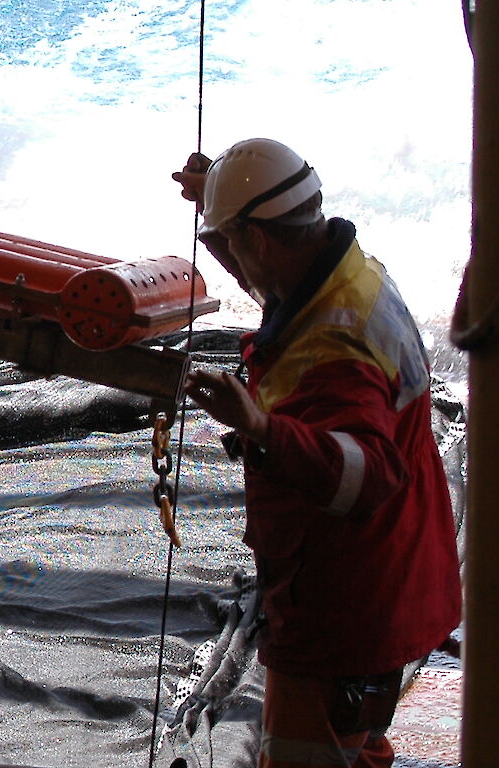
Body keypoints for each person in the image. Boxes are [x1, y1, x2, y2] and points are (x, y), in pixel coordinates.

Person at [175, 138, 461, 768]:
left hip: (345, 604)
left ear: (260, 238)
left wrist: (261, 427)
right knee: (355, 745)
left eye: (233, 240)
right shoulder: (345, 275)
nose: (237, 262)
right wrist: (220, 207)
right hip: (393, 583)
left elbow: (370, 475)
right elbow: (274, 275)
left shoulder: (335, 348)